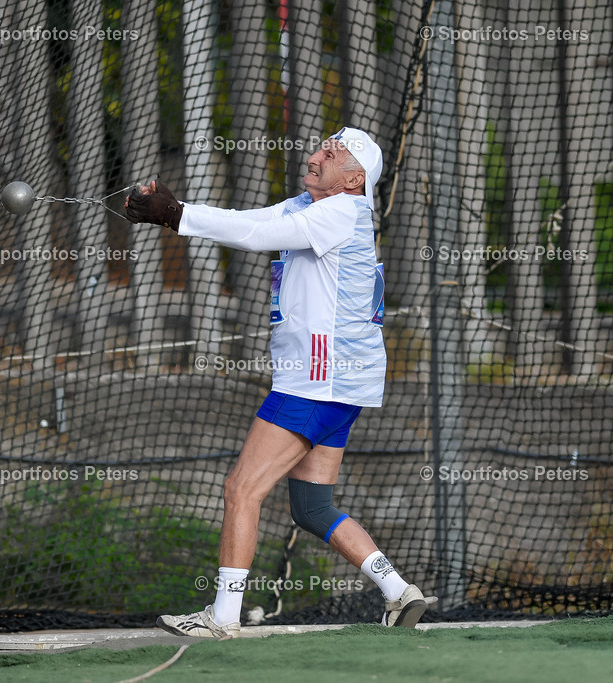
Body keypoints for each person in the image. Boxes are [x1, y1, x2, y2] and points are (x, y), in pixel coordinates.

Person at [125, 127, 429, 639]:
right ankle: (398, 591)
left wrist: (175, 215)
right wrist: (176, 215)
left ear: (354, 179)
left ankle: (222, 618)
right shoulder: (314, 208)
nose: (315, 156)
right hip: (339, 384)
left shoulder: (340, 212)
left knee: (241, 490)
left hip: (316, 381)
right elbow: (249, 223)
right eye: (320, 147)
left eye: (331, 155)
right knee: (312, 507)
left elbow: (254, 237)